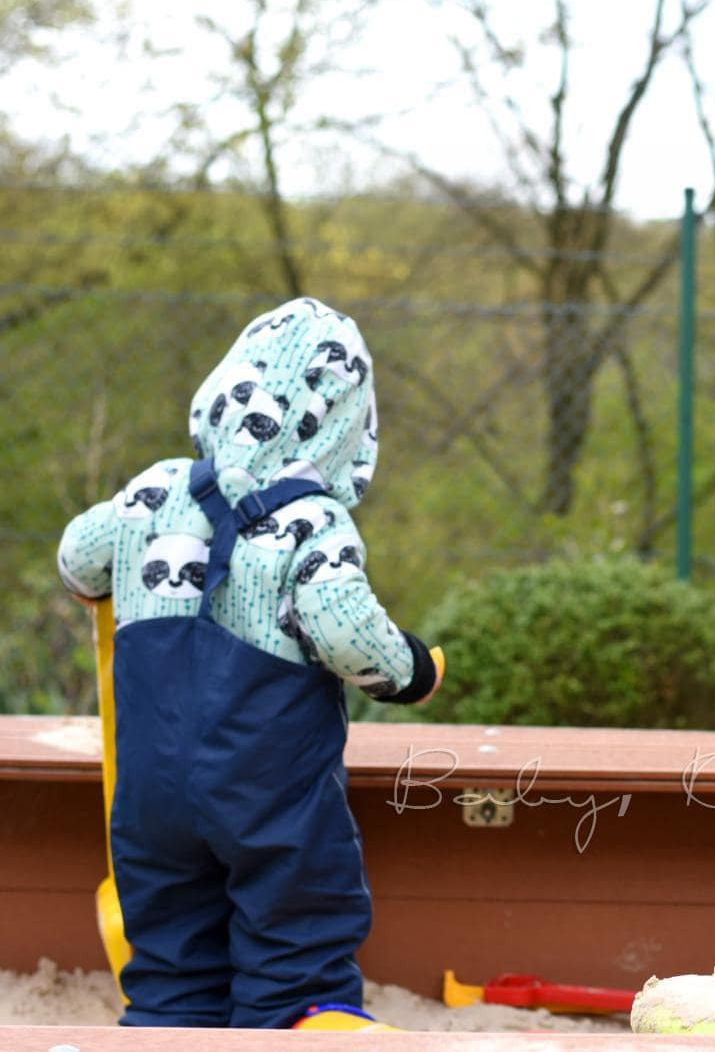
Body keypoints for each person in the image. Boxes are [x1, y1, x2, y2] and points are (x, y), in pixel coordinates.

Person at [57, 297, 442, 1029]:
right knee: (296, 954)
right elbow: (346, 632)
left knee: (170, 961)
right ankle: (294, 1023)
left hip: (150, 794)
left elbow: (78, 561)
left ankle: (168, 1028)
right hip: (269, 800)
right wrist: (414, 668)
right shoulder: (311, 521)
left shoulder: (154, 489)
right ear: (345, 429)